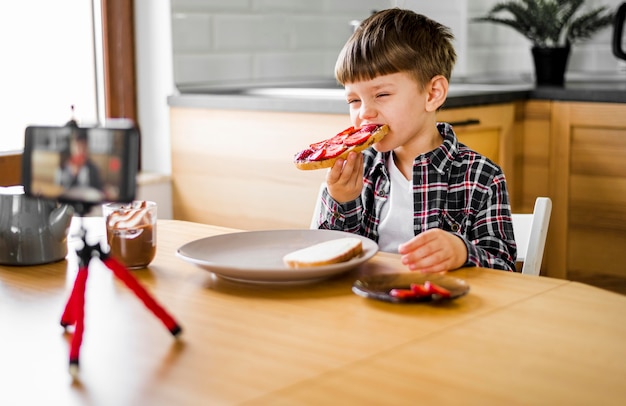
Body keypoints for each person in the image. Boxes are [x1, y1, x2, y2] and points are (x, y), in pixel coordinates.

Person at [313, 8, 517, 273]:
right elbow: (329, 256)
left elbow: (505, 269)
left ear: (433, 93)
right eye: (354, 100)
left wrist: (461, 251)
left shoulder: (482, 177)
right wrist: (342, 201)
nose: (364, 112)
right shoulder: (358, 172)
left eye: (382, 94)